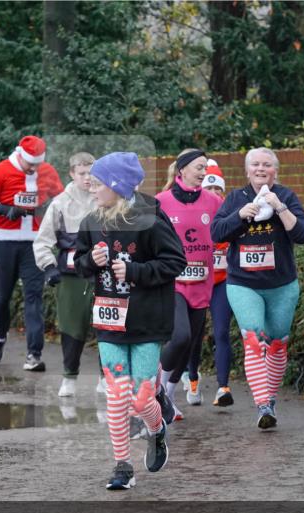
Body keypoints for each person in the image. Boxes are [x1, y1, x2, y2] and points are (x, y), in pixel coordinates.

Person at [73, 152, 186, 491]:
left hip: (147, 320)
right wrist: (90, 261)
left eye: (98, 183)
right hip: (109, 320)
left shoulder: (150, 219)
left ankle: (156, 428)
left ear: (117, 186)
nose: (92, 188)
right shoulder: (91, 220)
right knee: (117, 394)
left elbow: (175, 261)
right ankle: (123, 466)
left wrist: (135, 271)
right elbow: (78, 262)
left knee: (140, 399)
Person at [211, 147, 304, 429]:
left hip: (282, 285)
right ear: (247, 170)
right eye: (255, 164)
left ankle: (271, 399)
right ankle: (263, 404)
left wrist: (279, 207)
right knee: (254, 338)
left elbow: (302, 235)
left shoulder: (286, 196)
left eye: (266, 164)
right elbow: (216, 233)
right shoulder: (235, 199)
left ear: (275, 170)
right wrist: (239, 215)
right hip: (243, 284)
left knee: (277, 343)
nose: (260, 169)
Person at [0, 135, 64, 370]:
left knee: (33, 297)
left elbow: (62, 199)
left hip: (34, 243)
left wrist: (51, 212)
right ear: (20, 155)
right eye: (30, 164)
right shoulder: (2, 170)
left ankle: (34, 355)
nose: (33, 168)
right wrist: (4, 209)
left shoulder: (47, 171)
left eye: (37, 164)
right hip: (5, 241)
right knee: (2, 295)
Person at [154, 149, 222, 424]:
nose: (204, 172)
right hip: (172, 283)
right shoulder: (161, 201)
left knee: (190, 343)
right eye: (199, 167)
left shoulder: (213, 201)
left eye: (206, 167)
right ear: (181, 170)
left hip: (201, 282)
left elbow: (226, 228)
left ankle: (168, 398)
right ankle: (155, 388)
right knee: (180, 336)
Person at [33, 152, 101, 398]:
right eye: (82, 173)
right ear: (72, 174)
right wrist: (49, 266)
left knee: (107, 325)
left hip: (101, 273)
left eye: (91, 173)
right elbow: (42, 241)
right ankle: (69, 376)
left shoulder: (105, 198)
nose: (87, 178)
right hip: (71, 275)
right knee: (72, 327)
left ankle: (106, 377)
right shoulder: (60, 203)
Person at [185, 158, 235, 407]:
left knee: (221, 332)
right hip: (196, 281)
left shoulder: (231, 213)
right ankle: (192, 379)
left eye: (218, 188)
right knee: (193, 335)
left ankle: (223, 387)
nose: (214, 192)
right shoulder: (192, 213)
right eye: (209, 188)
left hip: (221, 282)